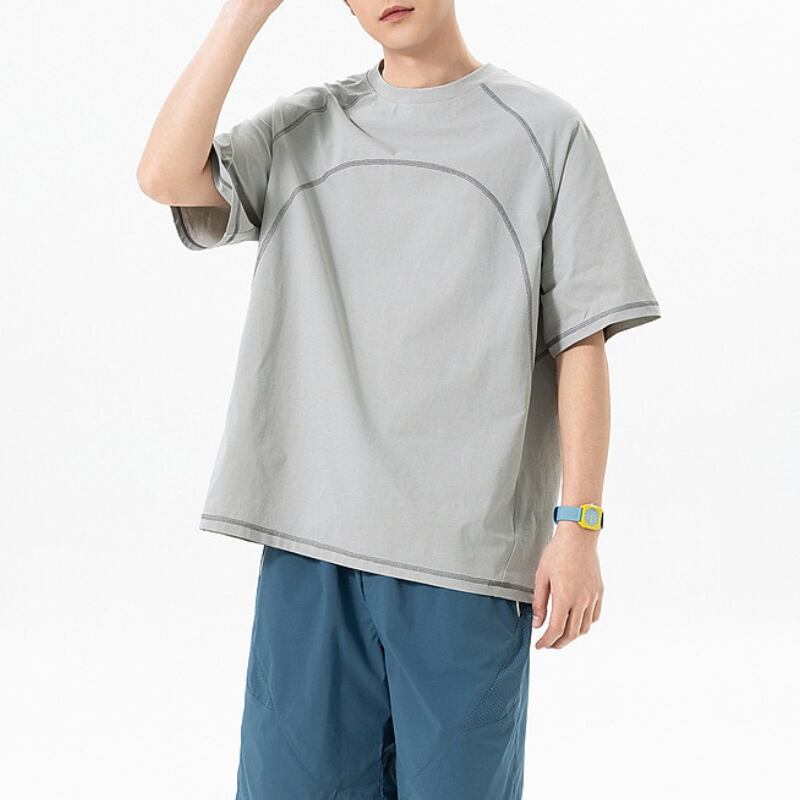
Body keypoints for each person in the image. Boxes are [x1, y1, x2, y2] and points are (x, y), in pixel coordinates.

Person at [137, 1, 661, 797]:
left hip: (464, 564)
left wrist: (579, 527)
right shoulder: (308, 128)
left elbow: (582, 343)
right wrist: (248, 11)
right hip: (311, 551)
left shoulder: (544, 134)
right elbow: (165, 174)